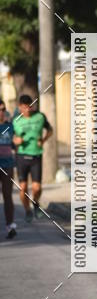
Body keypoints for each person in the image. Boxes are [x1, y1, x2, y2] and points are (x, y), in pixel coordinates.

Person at [12, 94, 53, 222]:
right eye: (24, 107)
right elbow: (11, 138)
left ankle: (35, 204)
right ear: (19, 107)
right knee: (23, 187)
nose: (27, 110)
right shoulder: (15, 120)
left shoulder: (40, 117)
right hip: (22, 157)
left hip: (36, 156)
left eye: (29, 107)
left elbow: (50, 130)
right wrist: (16, 140)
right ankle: (28, 211)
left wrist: (44, 140)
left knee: (37, 188)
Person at [0, 100, 17, 239]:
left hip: (7, 164)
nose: (1, 112)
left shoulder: (10, 126)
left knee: (7, 195)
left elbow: (15, 142)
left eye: (3, 109)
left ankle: (10, 226)